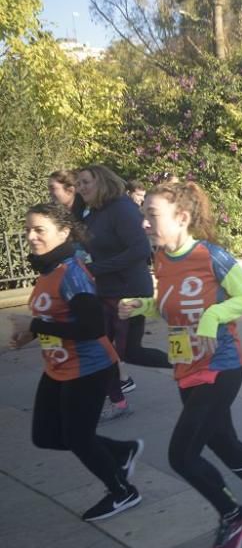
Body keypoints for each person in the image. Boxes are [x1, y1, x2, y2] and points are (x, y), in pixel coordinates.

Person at [119, 181, 242, 548]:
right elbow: (172, 306)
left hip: (221, 366)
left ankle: (233, 514)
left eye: (151, 216)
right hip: (186, 366)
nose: (145, 225)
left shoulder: (211, 255)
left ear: (182, 218)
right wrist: (143, 306)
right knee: (222, 442)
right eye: (144, 216)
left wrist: (214, 316)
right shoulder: (162, 258)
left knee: (181, 455)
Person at [9, 203, 143, 522]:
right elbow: (54, 316)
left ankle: (122, 491)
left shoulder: (71, 273)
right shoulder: (48, 269)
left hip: (88, 367)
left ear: (63, 232)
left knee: (78, 438)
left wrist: (35, 327)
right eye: (28, 229)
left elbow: (92, 328)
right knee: (45, 435)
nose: (30, 236)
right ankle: (120, 451)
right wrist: (31, 334)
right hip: (58, 366)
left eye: (39, 230)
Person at [76, 165, 171, 421]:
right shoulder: (93, 213)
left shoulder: (121, 209)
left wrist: (97, 268)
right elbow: (79, 233)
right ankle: (117, 402)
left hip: (128, 291)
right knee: (102, 350)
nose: (81, 187)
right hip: (105, 291)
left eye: (86, 182)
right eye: (78, 183)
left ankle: (185, 366)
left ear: (103, 182)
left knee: (129, 352)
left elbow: (140, 250)